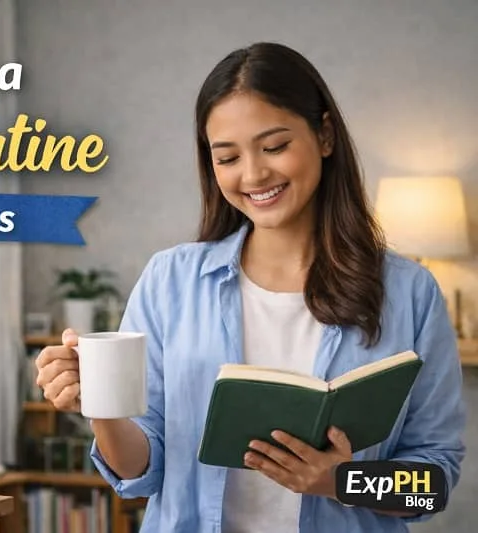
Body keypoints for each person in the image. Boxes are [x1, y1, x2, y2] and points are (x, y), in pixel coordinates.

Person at [34, 42, 466, 533]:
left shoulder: (409, 292)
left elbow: (434, 480)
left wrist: (341, 480)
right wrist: (102, 406)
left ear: (324, 135)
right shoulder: (170, 281)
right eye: (227, 157)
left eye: (275, 146)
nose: (254, 174)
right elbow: (140, 472)